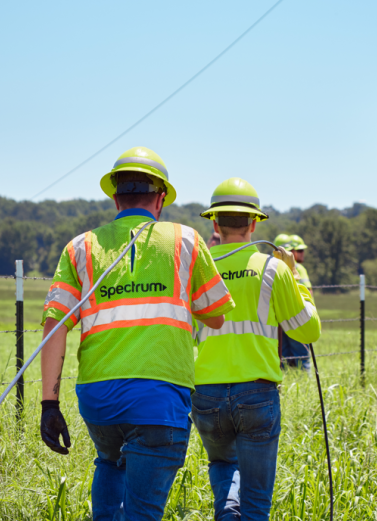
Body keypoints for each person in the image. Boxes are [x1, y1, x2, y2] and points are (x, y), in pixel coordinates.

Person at [39, 147, 234, 521]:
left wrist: (49, 404)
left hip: (98, 399)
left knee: (109, 462)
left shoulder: (80, 246)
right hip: (158, 398)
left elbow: (55, 326)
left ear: (115, 197)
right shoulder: (187, 240)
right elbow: (215, 317)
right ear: (161, 198)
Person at [194, 178, 321, 520]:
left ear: (214, 223)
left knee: (222, 464)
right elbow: (308, 330)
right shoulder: (273, 267)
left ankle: (228, 513)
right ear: (254, 223)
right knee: (257, 500)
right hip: (257, 393)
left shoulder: (196, 270)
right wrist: (296, 279)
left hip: (206, 392)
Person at [273, 233, 313, 370]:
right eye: (300, 250)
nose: (303, 253)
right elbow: (308, 293)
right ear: (291, 252)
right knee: (302, 358)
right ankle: (304, 383)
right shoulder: (299, 268)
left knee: (283, 358)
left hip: (279, 319)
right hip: (297, 317)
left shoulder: (273, 267)